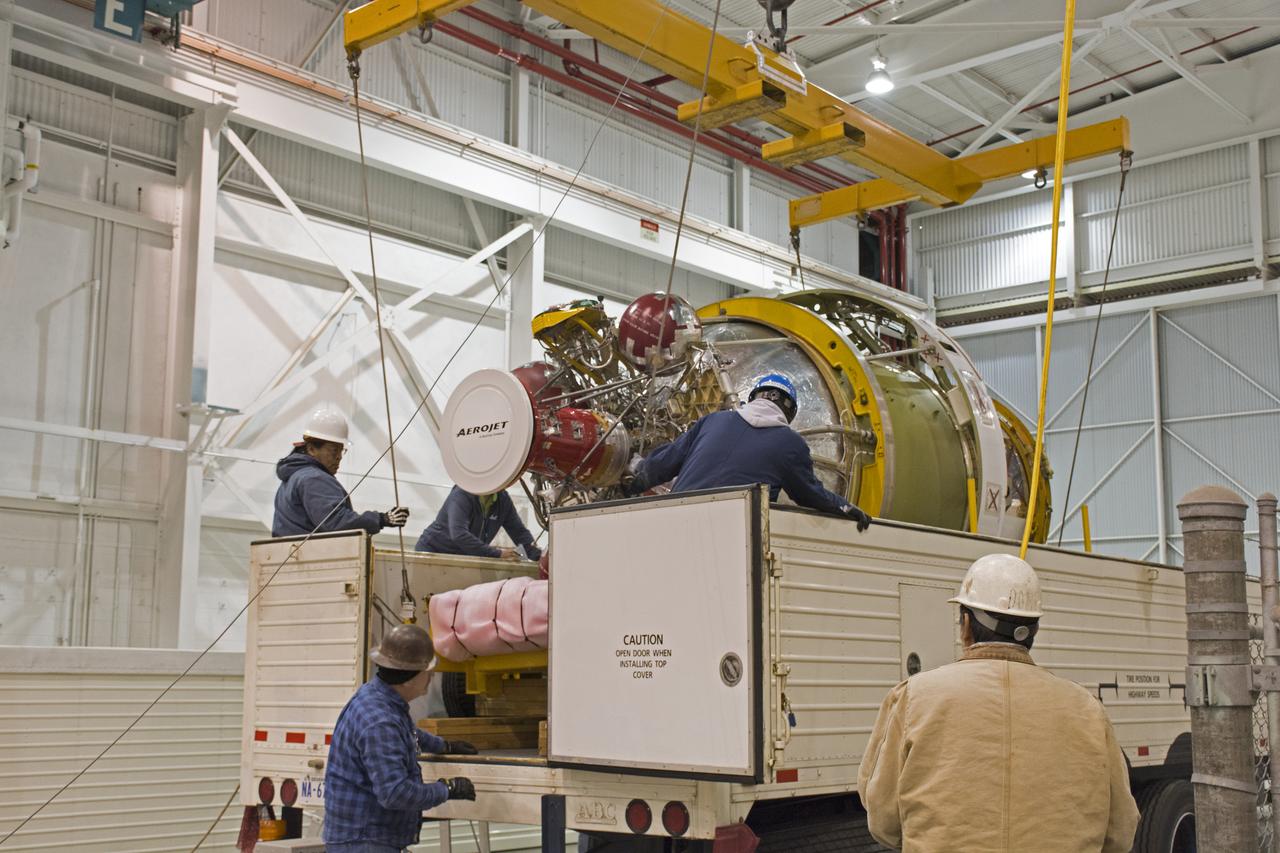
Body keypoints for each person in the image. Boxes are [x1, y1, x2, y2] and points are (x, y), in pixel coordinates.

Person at [858, 554, 1139, 852]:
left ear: (965, 623)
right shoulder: (1087, 709)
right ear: (1034, 631)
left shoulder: (913, 697)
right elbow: (1120, 831)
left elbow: (884, 820)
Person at [622, 373, 871, 530]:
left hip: (674, 521)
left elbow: (663, 464)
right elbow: (809, 495)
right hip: (734, 535)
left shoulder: (712, 420)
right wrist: (845, 508)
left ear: (753, 399)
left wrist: (631, 481)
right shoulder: (790, 444)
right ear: (789, 412)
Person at [324, 623, 480, 853]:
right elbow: (395, 793)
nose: (432, 675)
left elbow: (405, 732)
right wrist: (446, 789)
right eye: (428, 670)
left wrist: (444, 746)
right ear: (408, 679)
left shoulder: (378, 696)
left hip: (363, 839)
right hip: (364, 843)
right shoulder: (380, 721)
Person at [272, 408, 410, 537]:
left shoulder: (292, 477)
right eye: (333, 450)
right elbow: (335, 522)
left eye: (341, 450)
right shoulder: (314, 479)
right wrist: (382, 519)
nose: (339, 456)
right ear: (312, 449)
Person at [416, 486, 542, 561]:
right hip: (433, 552)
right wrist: (497, 554)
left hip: (465, 557)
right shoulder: (462, 493)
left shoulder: (502, 499)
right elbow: (459, 534)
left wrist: (540, 558)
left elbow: (519, 533)